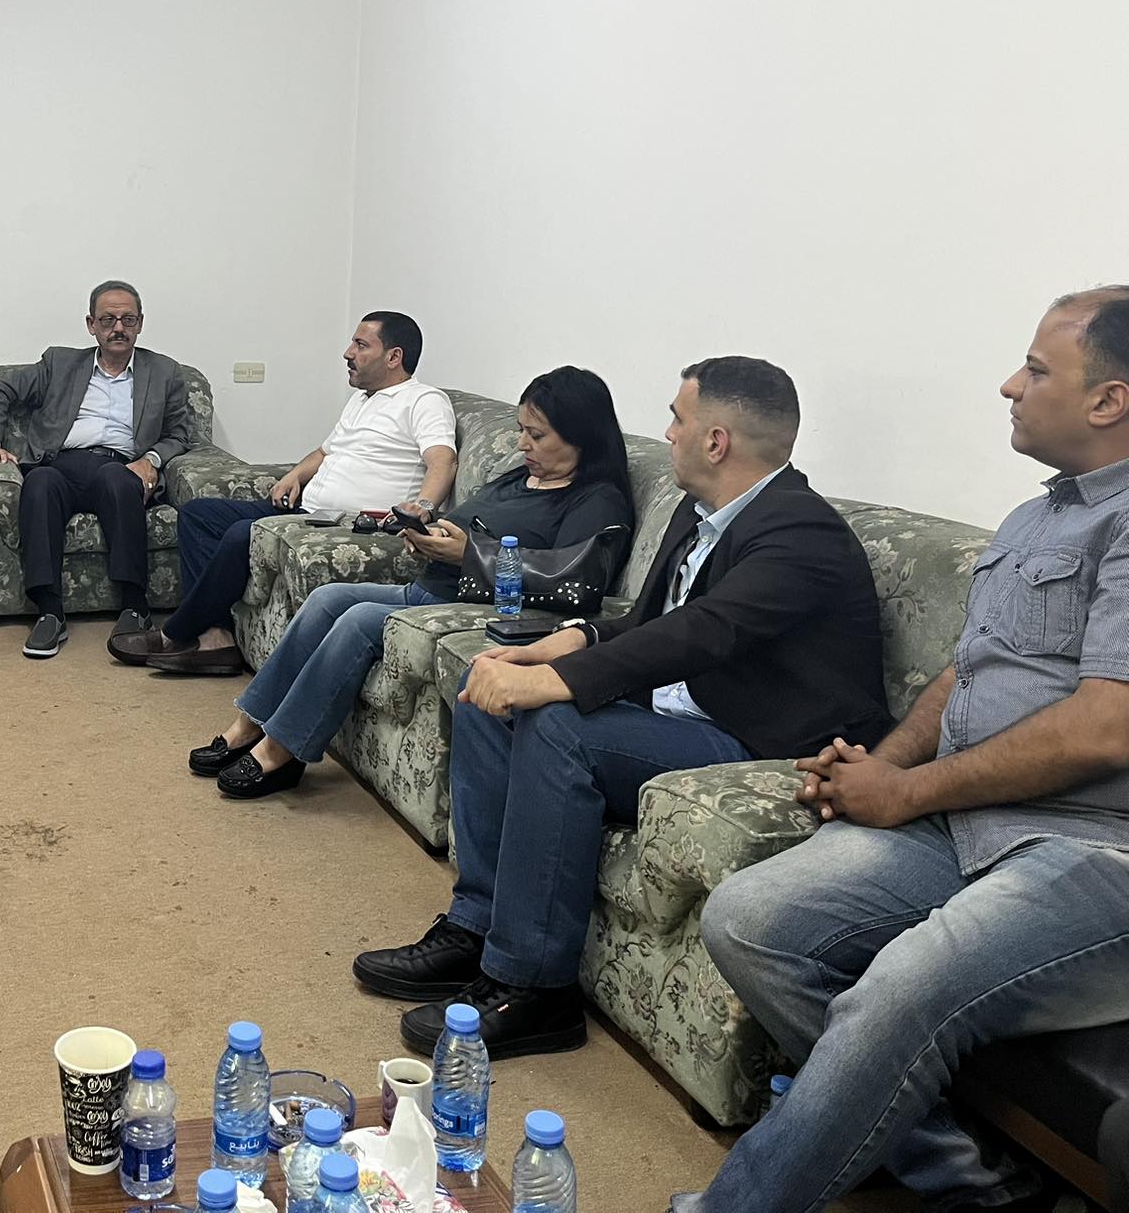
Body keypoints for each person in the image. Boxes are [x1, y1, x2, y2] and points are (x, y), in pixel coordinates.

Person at [674, 289, 1129, 1213]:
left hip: (1090, 850)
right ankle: (971, 1181)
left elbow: (1104, 725)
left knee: (903, 987)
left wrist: (910, 793)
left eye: (1036, 369)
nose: (1009, 385)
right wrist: (883, 767)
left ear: (1108, 400)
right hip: (969, 822)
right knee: (748, 919)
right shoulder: (1033, 519)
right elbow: (966, 677)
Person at [355, 357, 890, 1062]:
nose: (666, 434)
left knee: (558, 724)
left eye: (677, 418)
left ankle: (533, 988)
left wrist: (559, 682)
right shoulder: (699, 512)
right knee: (487, 696)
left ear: (716, 441)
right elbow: (649, 622)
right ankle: (476, 927)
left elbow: (705, 632)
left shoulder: (800, 531)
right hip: (682, 712)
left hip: (759, 743)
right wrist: (557, 646)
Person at [188, 367, 633, 797]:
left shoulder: (597, 500)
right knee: (327, 599)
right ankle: (250, 724)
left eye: (536, 435)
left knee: (359, 619)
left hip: (468, 606)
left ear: (580, 437)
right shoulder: (525, 476)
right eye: (521, 430)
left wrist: (469, 555)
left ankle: (281, 751)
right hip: (427, 589)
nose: (522, 444)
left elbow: (577, 580)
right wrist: (429, 534)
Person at [119, 311, 458, 677]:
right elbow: (325, 452)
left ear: (394, 357)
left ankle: (174, 632)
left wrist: (423, 507)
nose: (348, 353)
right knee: (198, 513)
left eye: (361, 345)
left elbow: (443, 461)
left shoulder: (423, 400)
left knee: (243, 534)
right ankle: (215, 637)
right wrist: (294, 475)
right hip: (308, 510)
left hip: (349, 523)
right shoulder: (362, 400)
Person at [0, 280, 195, 659]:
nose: (118, 328)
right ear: (91, 325)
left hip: (117, 465)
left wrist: (152, 460)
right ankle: (49, 611)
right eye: (108, 319)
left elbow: (180, 433)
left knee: (118, 479)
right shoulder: (59, 363)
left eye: (127, 319)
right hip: (59, 465)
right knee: (39, 483)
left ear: (140, 323)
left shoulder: (165, 372)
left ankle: (135, 607)